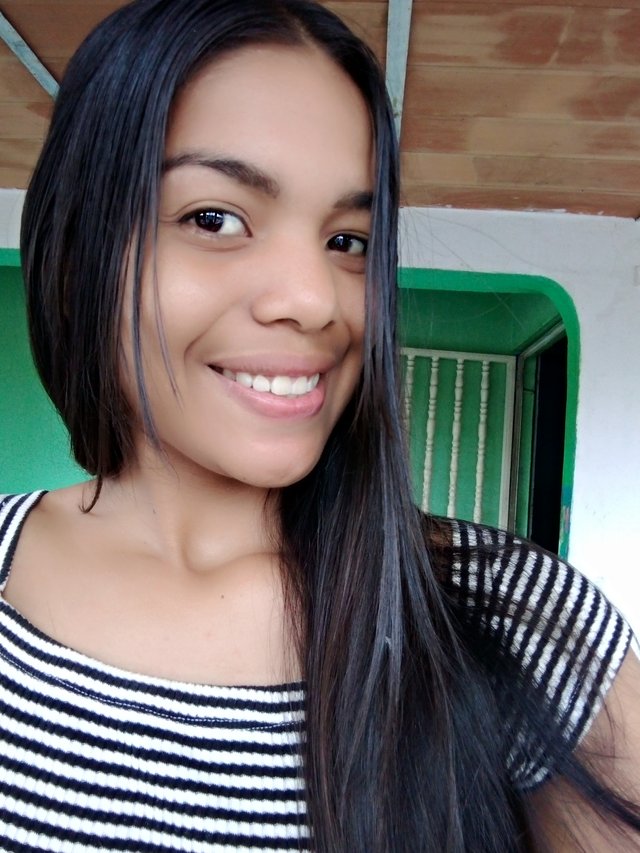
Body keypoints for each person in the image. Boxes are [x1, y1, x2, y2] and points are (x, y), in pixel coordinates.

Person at [1, 0, 639, 850]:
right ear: (79, 247)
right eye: (215, 218)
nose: (313, 300)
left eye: (348, 240)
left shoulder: (517, 618)